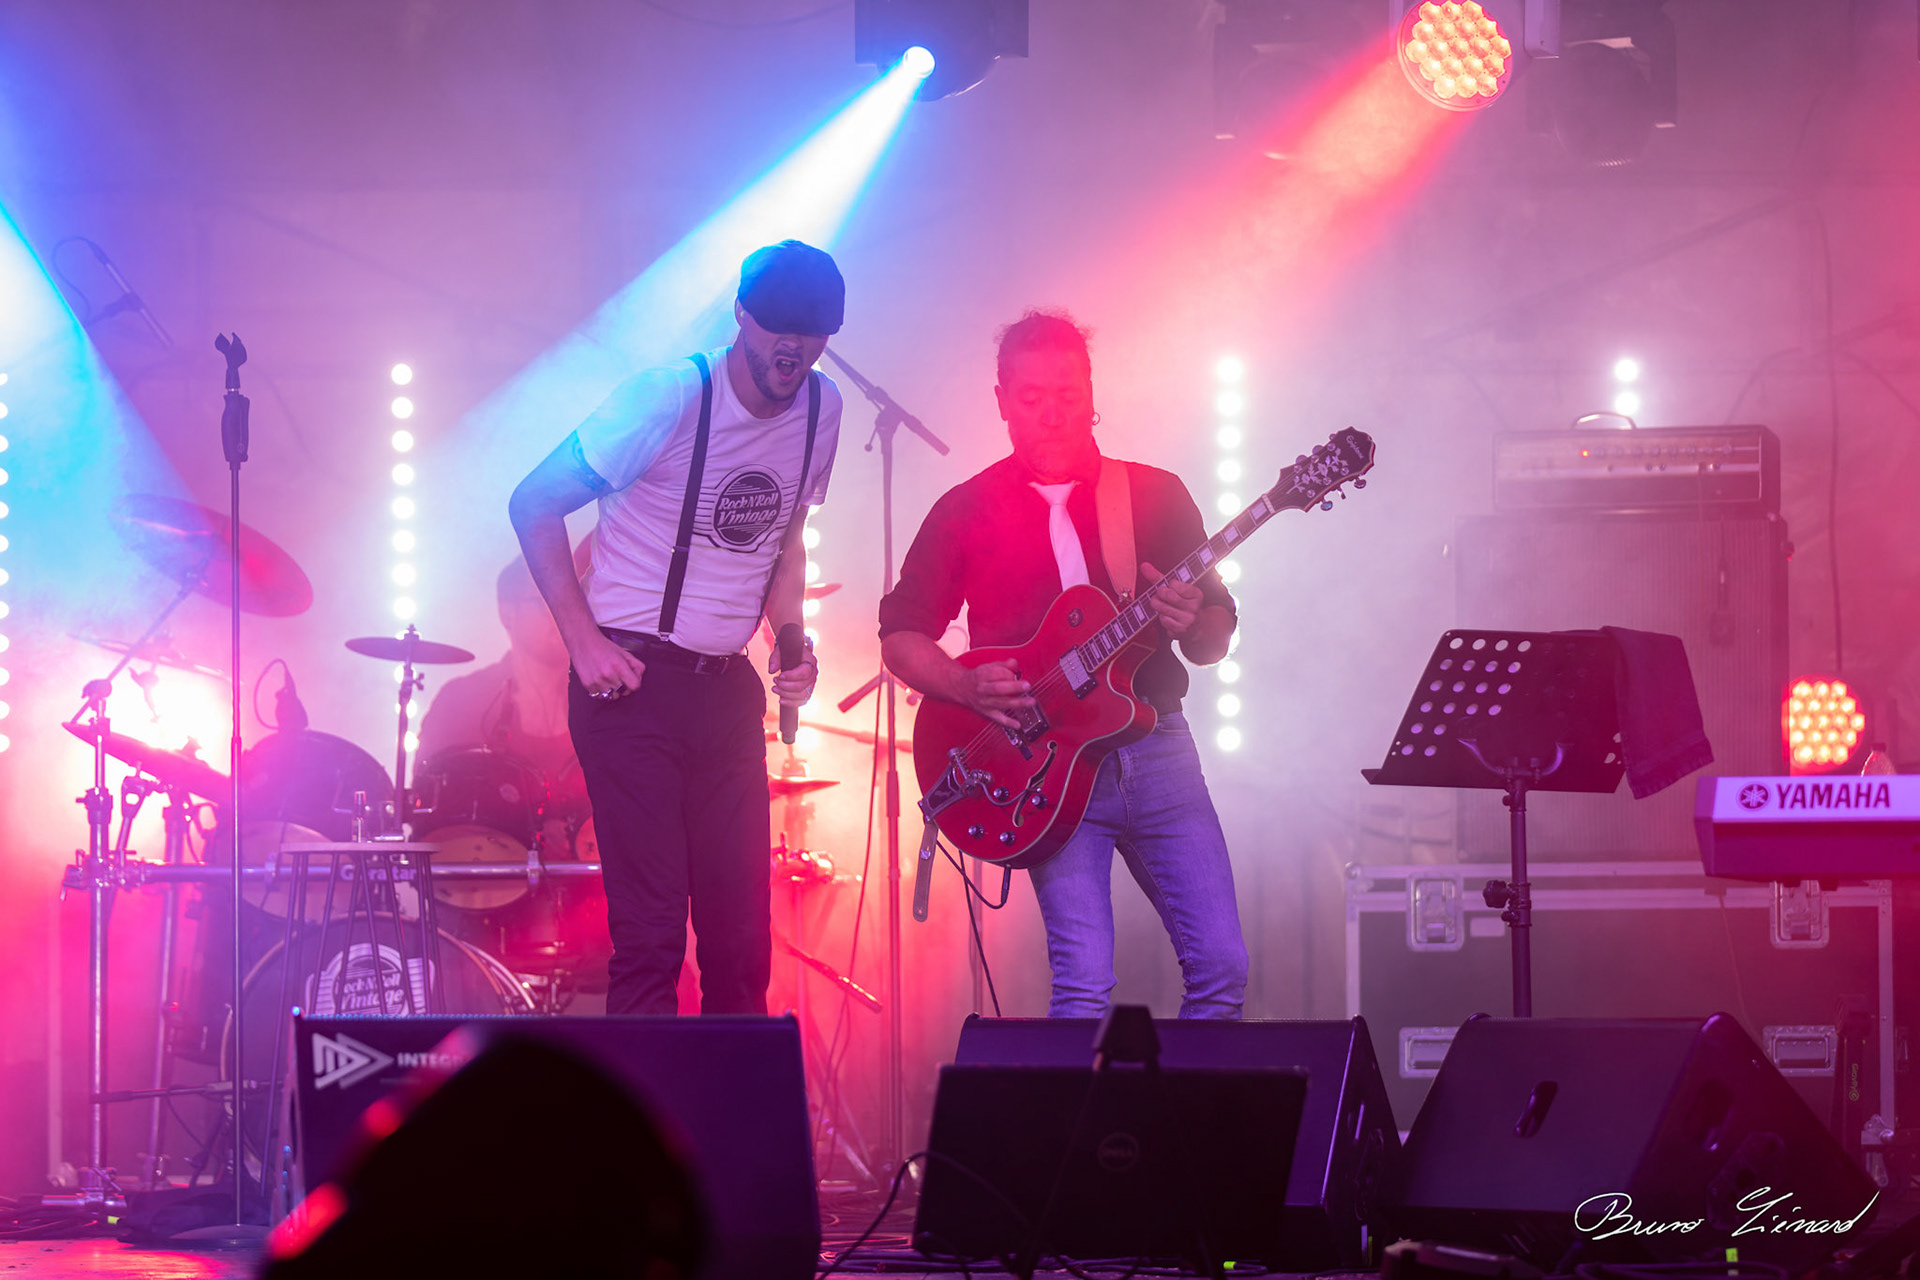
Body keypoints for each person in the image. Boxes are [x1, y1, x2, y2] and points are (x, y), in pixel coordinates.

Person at [878, 309, 1249, 1019]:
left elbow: (1211, 636)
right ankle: (1083, 1135)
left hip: (1158, 748)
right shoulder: (966, 510)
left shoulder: (1153, 492)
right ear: (1000, 401)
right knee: (1083, 985)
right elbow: (900, 637)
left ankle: (1188, 1131)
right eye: (1031, 398)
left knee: (1222, 968)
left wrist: (1191, 621)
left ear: (1091, 389)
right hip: (1045, 767)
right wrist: (961, 683)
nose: (1052, 414)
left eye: (1068, 395)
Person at [508, 240, 845, 1016]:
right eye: (776, 330)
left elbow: (785, 539)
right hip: (631, 686)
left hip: (726, 692)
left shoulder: (822, 410)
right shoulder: (666, 398)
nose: (791, 349)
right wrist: (583, 640)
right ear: (741, 318)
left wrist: (789, 639)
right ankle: (646, 1137)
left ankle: (732, 1134)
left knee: (740, 946)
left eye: (812, 332)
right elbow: (533, 502)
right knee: (654, 939)